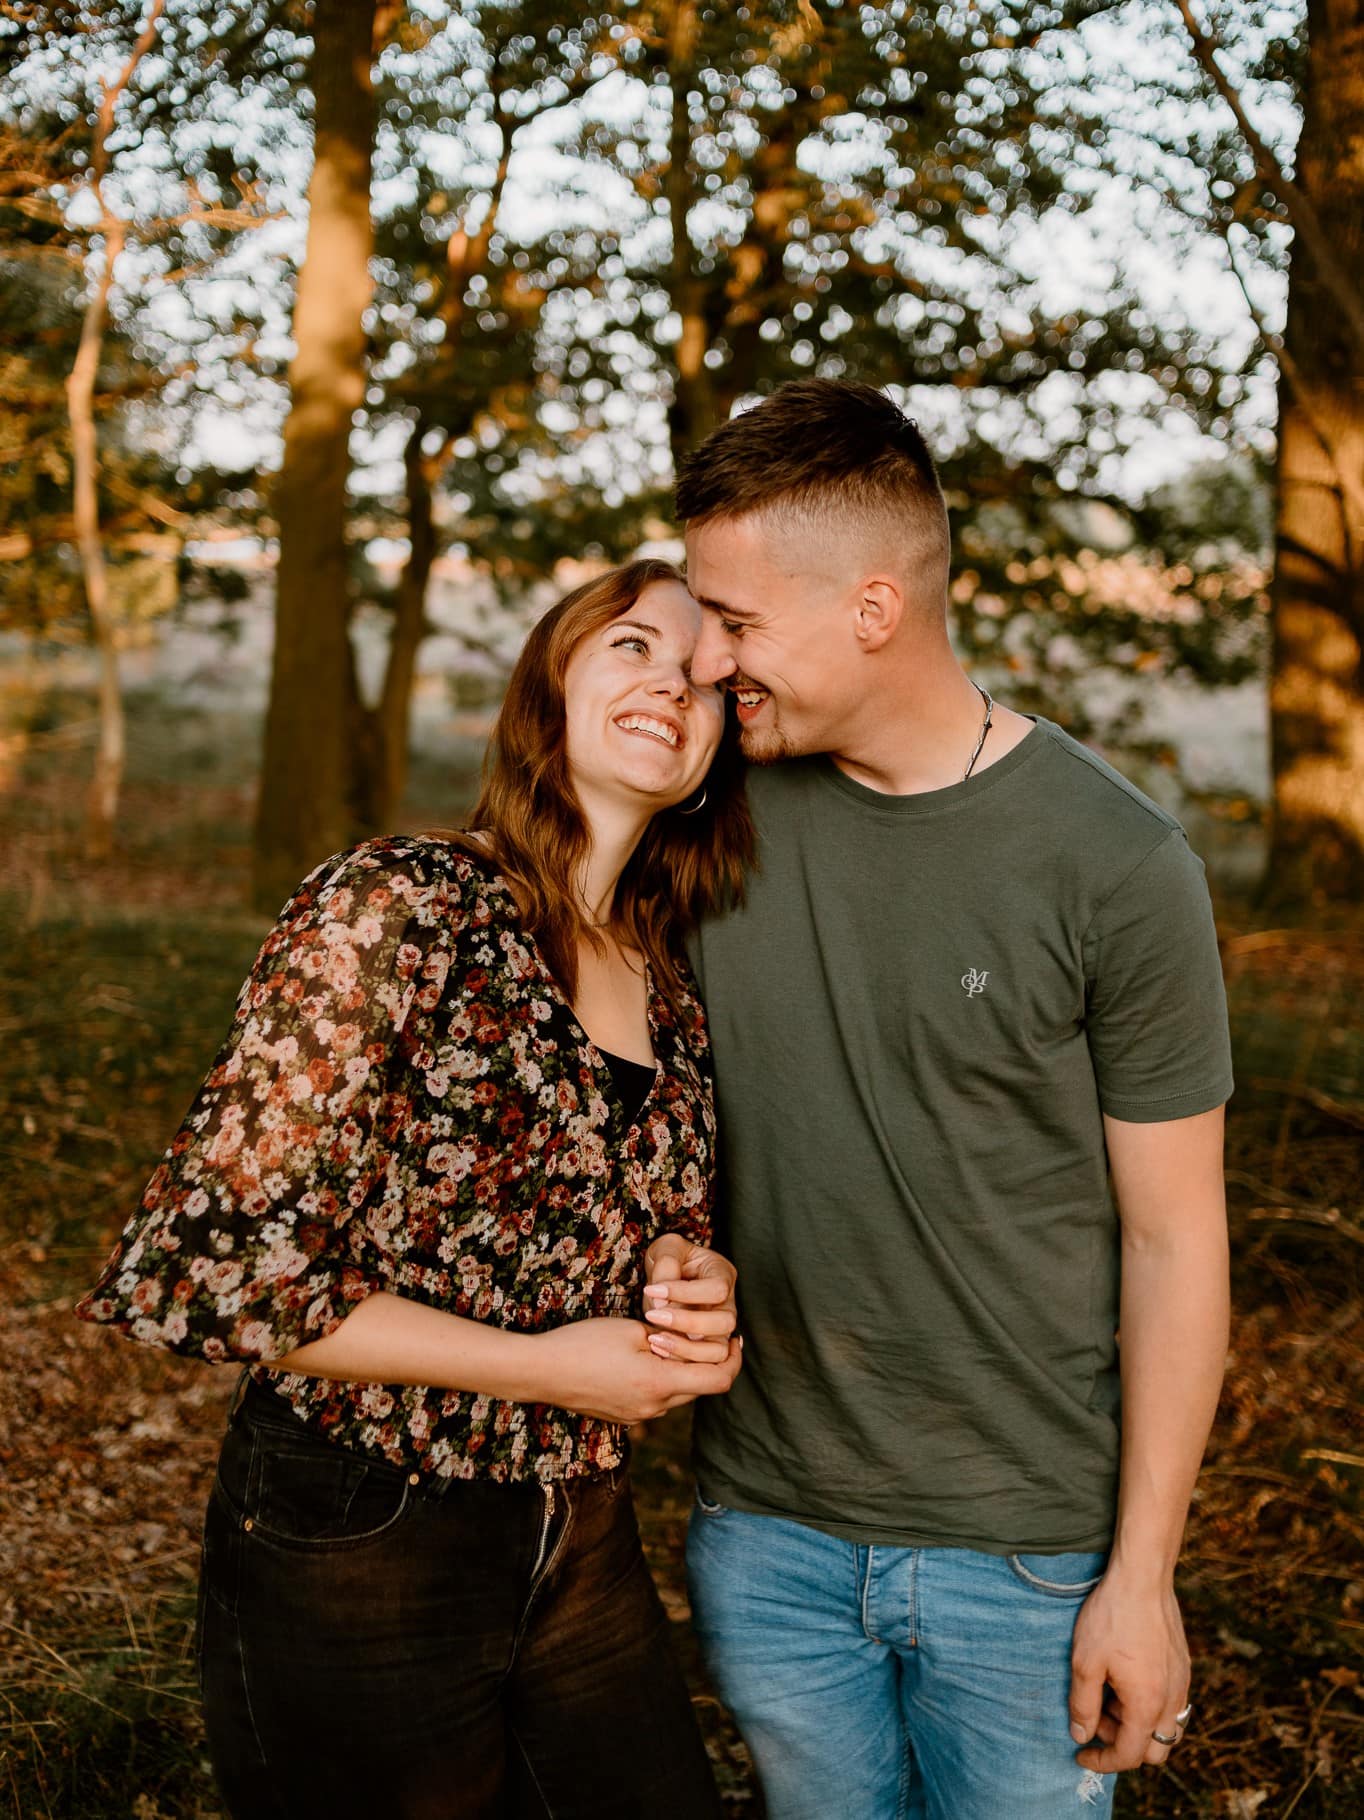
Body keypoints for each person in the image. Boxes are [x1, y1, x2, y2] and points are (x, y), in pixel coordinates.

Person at [75, 557, 750, 1820]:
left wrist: (686, 1277)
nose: (673, 683)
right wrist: (555, 1365)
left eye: (707, 681)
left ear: (713, 754)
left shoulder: (666, 980)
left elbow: (642, 1228)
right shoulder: (399, 903)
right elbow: (215, 1267)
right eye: (634, 646)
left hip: (579, 1524)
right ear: (547, 686)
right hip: (362, 1521)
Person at [676, 380, 1234, 1820]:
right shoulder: (715, 810)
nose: (706, 660)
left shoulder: (1115, 865)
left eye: (736, 623)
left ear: (873, 608)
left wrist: (1143, 1578)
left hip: (1027, 1555)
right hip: (768, 1531)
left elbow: (1177, 1242)